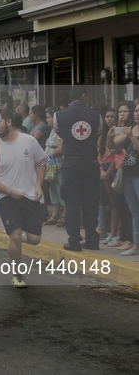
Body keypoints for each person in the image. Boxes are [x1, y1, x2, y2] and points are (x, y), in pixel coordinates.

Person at [0, 108, 48, 287]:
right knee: (17, 236)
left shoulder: (29, 140)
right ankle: (17, 274)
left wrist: (38, 185)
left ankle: (13, 237)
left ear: (9, 122)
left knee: (34, 239)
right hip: (5, 196)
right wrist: (10, 192)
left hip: (30, 195)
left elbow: (42, 162)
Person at [54, 85, 103, 251]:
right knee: (91, 202)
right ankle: (92, 240)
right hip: (91, 163)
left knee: (72, 203)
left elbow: (60, 134)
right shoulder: (96, 115)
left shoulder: (58, 115)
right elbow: (97, 133)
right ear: (84, 95)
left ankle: (74, 240)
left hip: (70, 163)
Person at [107, 103, 139, 255]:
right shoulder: (131, 129)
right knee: (133, 211)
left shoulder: (132, 132)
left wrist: (131, 136)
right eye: (137, 111)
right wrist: (110, 135)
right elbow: (113, 146)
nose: (137, 114)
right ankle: (135, 243)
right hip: (128, 173)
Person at [98, 108, 120, 241]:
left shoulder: (118, 132)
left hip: (114, 168)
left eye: (112, 116)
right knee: (107, 201)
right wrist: (102, 170)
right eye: (107, 116)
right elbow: (99, 153)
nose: (109, 119)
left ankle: (115, 232)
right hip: (103, 169)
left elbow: (116, 153)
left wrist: (109, 171)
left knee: (115, 201)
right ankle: (110, 232)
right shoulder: (103, 134)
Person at [43, 107, 66, 227]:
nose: (47, 120)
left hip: (58, 165)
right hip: (50, 167)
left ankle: (64, 216)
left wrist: (47, 155)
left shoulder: (60, 132)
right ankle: (54, 215)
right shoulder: (51, 131)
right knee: (53, 190)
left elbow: (60, 149)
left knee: (61, 189)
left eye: (48, 117)